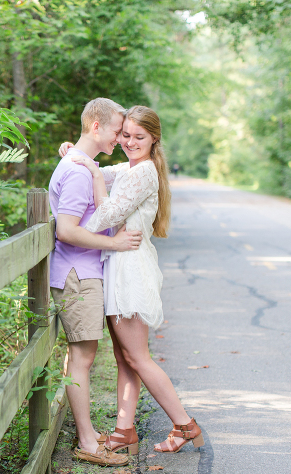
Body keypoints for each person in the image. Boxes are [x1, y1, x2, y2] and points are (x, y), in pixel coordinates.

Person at [60, 105, 204, 454]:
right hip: (119, 263)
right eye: (125, 134)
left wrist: (93, 178)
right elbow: (100, 168)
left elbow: (102, 216)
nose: (129, 141)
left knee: (138, 357)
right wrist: (74, 153)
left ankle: (185, 425)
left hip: (129, 267)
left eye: (139, 137)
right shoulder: (131, 168)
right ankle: (125, 431)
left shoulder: (143, 173)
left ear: (155, 139)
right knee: (126, 357)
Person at [49, 98, 143, 467]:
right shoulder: (75, 171)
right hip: (78, 275)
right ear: (96, 127)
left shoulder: (80, 165)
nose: (121, 138)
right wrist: (114, 242)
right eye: (117, 131)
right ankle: (88, 443)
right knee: (83, 360)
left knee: (80, 358)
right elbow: (67, 230)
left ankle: (87, 435)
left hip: (82, 274)